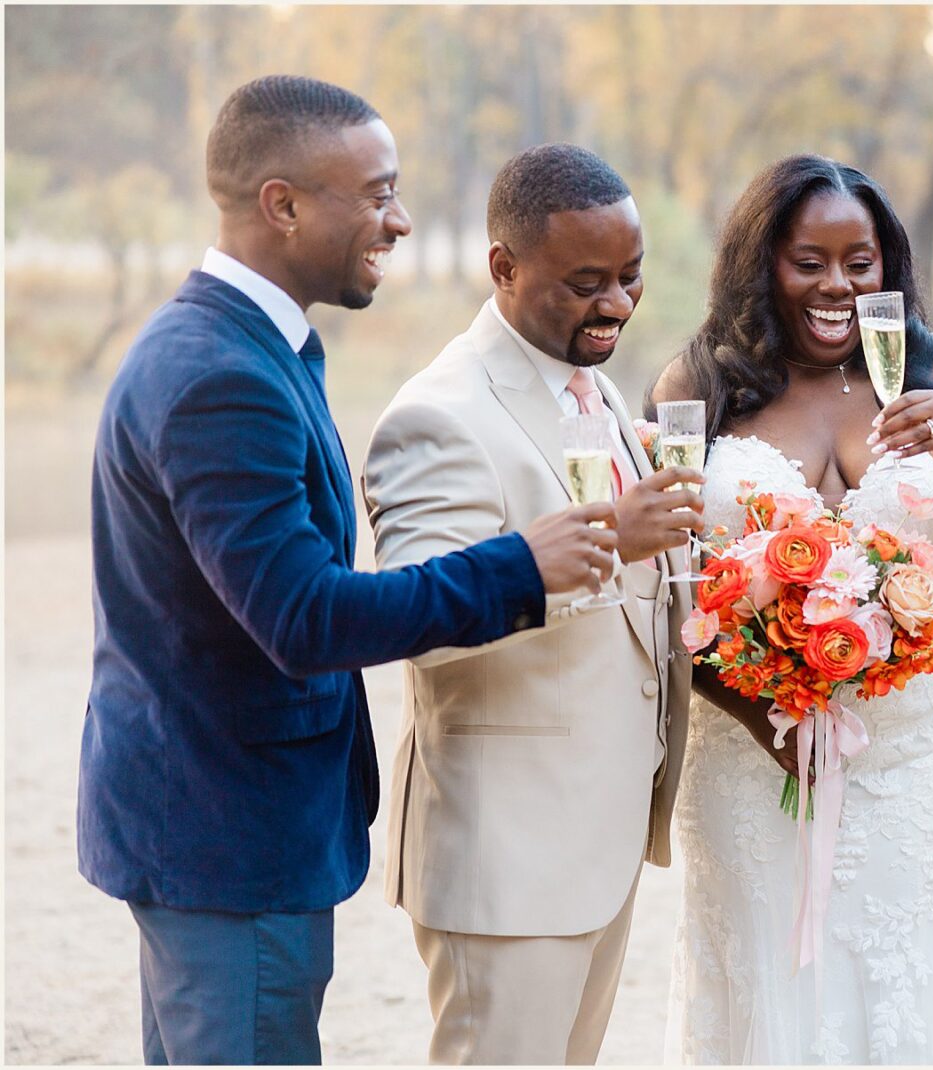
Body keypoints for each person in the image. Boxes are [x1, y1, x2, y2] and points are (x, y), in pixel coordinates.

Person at [77, 78, 618, 1066]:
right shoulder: (219, 375)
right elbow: (306, 618)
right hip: (229, 833)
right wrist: (523, 566)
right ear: (282, 204)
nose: (399, 221)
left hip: (226, 824)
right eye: (376, 194)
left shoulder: (255, 345)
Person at [650, 154, 933, 1063]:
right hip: (754, 760)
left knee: (912, 984)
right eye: (808, 262)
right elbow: (669, 596)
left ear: (888, 266)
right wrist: (764, 720)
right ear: (762, 265)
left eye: (859, 262)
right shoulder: (698, 385)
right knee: (772, 993)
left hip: (922, 755)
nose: (837, 285)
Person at [361, 144, 703, 1065]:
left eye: (631, 276)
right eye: (585, 283)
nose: (617, 304)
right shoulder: (440, 415)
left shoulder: (593, 388)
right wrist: (610, 542)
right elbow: (418, 624)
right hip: (507, 860)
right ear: (503, 268)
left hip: (597, 841)